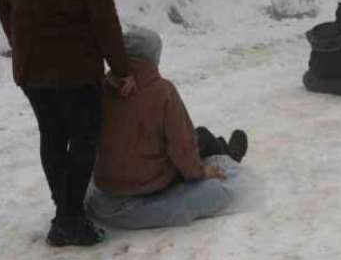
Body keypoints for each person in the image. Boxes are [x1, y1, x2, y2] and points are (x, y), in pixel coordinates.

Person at [0, 0, 136, 247]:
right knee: (84, 139)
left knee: (52, 136)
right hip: (76, 72)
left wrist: (21, 43)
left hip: (31, 70)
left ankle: (66, 212)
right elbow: (105, 22)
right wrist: (122, 70)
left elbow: (2, 3)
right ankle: (70, 218)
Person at [86, 27, 248, 230]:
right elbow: (181, 148)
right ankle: (229, 154)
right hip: (148, 183)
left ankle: (223, 148)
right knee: (202, 137)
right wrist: (200, 172)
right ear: (152, 56)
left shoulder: (102, 87)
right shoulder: (162, 91)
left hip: (108, 183)